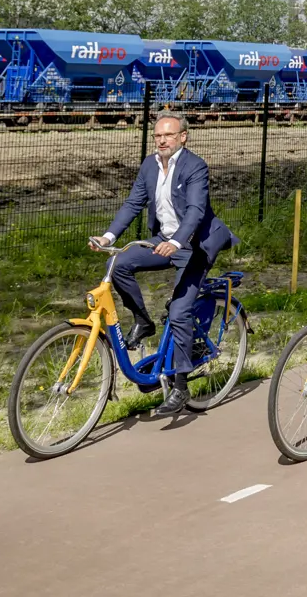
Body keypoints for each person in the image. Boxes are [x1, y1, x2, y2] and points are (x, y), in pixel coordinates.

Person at [91, 112, 235, 416]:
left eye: (168, 135)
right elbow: (133, 203)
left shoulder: (195, 166)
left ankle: (181, 386)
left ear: (183, 137)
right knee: (120, 264)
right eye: (158, 135)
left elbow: (196, 211)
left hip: (195, 245)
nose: (162, 140)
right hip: (164, 240)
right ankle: (143, 321)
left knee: (180, 310)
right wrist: (108, 237)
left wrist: (178, 242)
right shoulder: (150, 165)